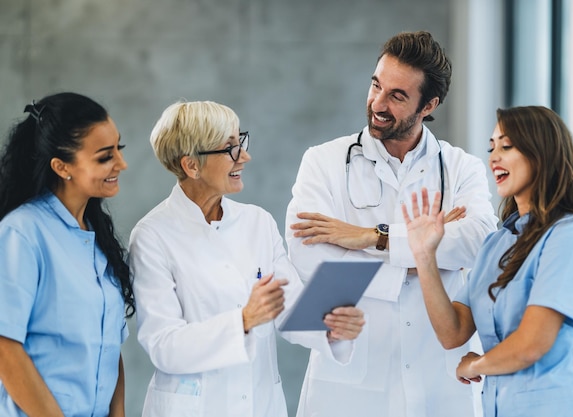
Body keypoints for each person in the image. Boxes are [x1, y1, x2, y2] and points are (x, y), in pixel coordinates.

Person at [285, 31, 498, 417]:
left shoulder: (460, 168)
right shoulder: (324, 162)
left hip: (438, 379)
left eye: (397, 96)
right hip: (350, 384)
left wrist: (370, 238)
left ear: (428, 104)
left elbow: (479, 242)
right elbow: (310, 259)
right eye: (376, 85)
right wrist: (426, 257)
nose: (378, 104)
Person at [129, 100, 365, 417]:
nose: (245, 156)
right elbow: (164, 346)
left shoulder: (257, 222)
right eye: (230, 149)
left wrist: (332, 327)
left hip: (259, 404)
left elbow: (291, 307)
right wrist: (243, 321)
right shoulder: (152, 236)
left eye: (241, 142)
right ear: (191, 166)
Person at [402, 105, 573, 417]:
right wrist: (424, 257)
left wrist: (475, 364)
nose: (493, 157)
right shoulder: (497, 244)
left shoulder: (569, 237)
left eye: (507, 146)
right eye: (492, 147)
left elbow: (532, 343)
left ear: (540, 153)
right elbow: (453, 332)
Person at [0, 92, 134, 417]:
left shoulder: (97, 238)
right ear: (62, 167)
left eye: (119, 148)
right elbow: (5, 348)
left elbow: (107, 349)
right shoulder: (22, 233)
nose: (121, 163)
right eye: (105, 157)